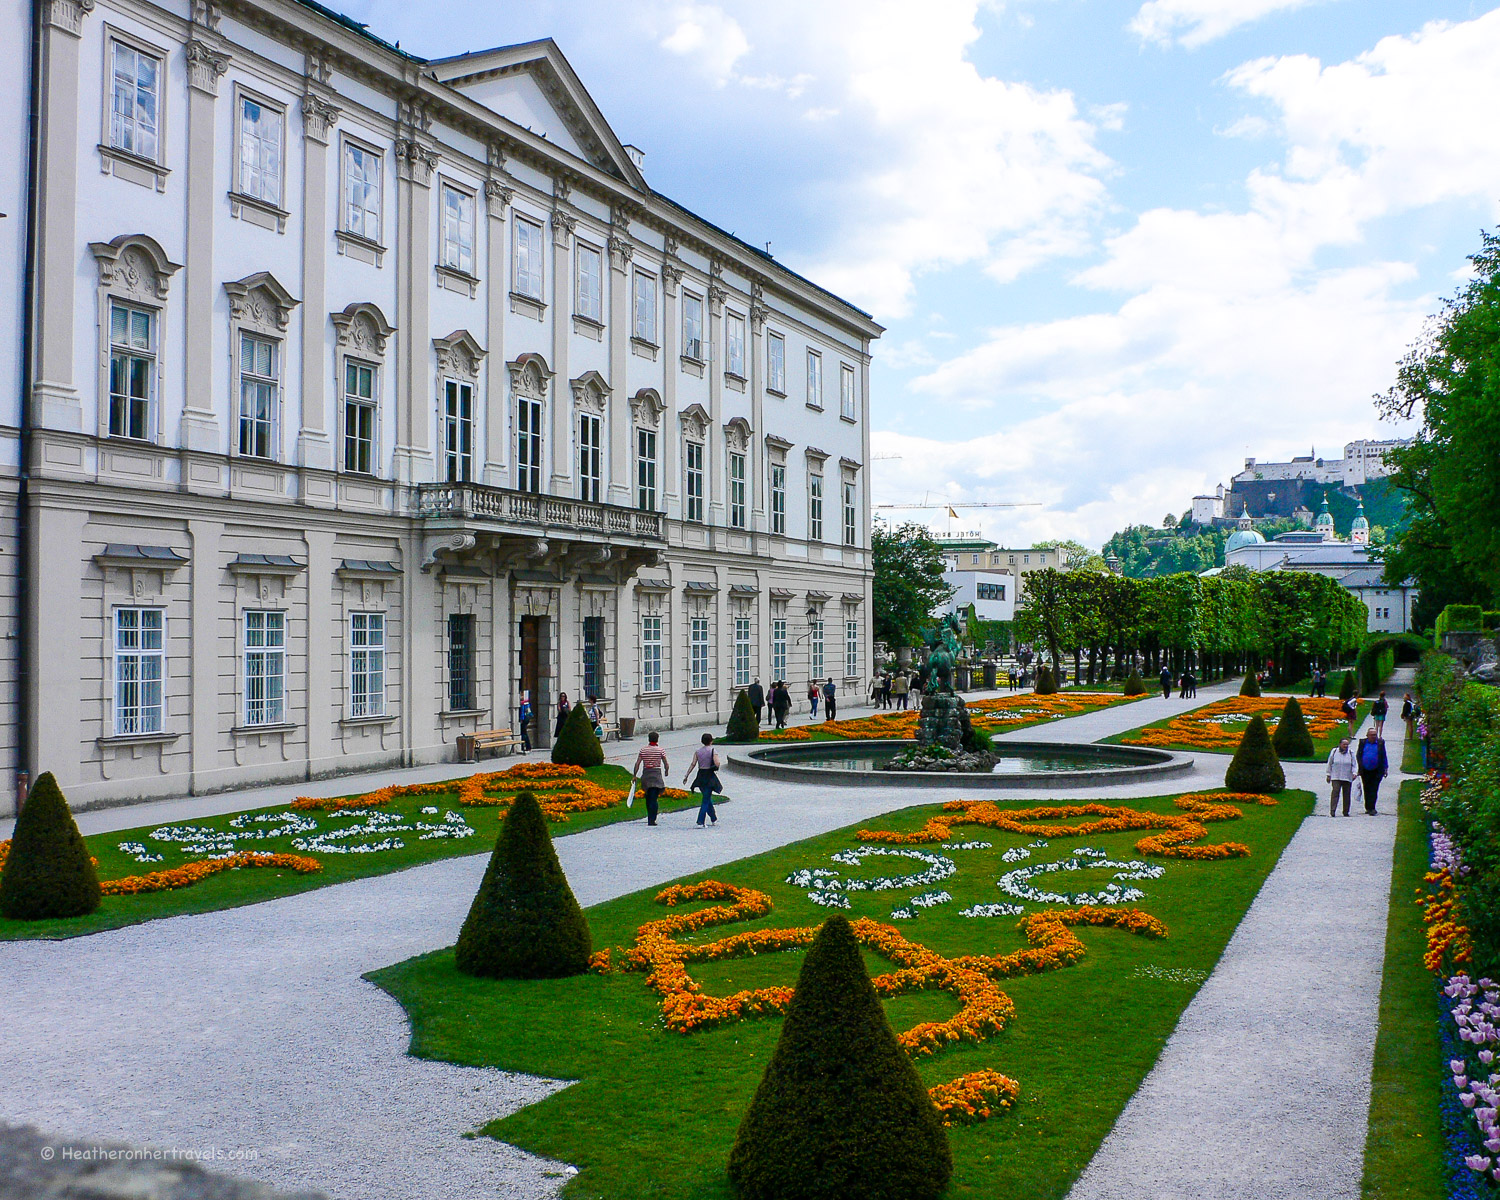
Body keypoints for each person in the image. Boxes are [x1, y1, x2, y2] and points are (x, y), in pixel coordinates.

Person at [683, 733, 722, 826]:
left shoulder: (698, 751)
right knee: (706, 799)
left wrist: (686, 775)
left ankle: (713, 818)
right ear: (711, 741)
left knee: (706, 797)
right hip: (709, 775)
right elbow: (717, 763)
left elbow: (693, 764)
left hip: (700, 775)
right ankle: (700, 821)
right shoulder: (713, 750)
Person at [632, 732, 670, 827]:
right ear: (657, 739)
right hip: (656, 773)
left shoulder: (643, 750)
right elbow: (666, 763)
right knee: (654, 798)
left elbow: (637, 763)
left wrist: (634, 775)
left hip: (646, 773)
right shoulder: (660, 750)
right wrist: (666, 771)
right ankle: (652, 819)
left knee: (648, 797)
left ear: (649, 739)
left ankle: (650, 816)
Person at [1357, 728, 1389, 815]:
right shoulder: (1363, 743)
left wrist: (1385, 768)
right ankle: (1368, 807)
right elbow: (1359, 755)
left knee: (1374, 789)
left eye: (1375, 735)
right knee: (1366, 788)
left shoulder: (1380, 743)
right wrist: (1359, 767)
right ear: (1367, 735)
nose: (1374, 736)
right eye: (1372, 735)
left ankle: (1372, 808)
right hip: (1365, 770)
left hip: (1377, 770)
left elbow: (1383, 755)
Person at [1326, 736, 1357, 817]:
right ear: (1340, 744)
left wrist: (1354, 773)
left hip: (1347, 776)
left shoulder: (1351, 753)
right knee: (1335, 792)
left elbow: (1354, 764)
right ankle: (1333, 810)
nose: (1345, 746)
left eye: (1347, 744)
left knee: (1347, 794)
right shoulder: (1334, 751)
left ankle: (1346, 811)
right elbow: (1330, 763)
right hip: (1336, 776)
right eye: (1344, 744)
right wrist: (1328, 774)